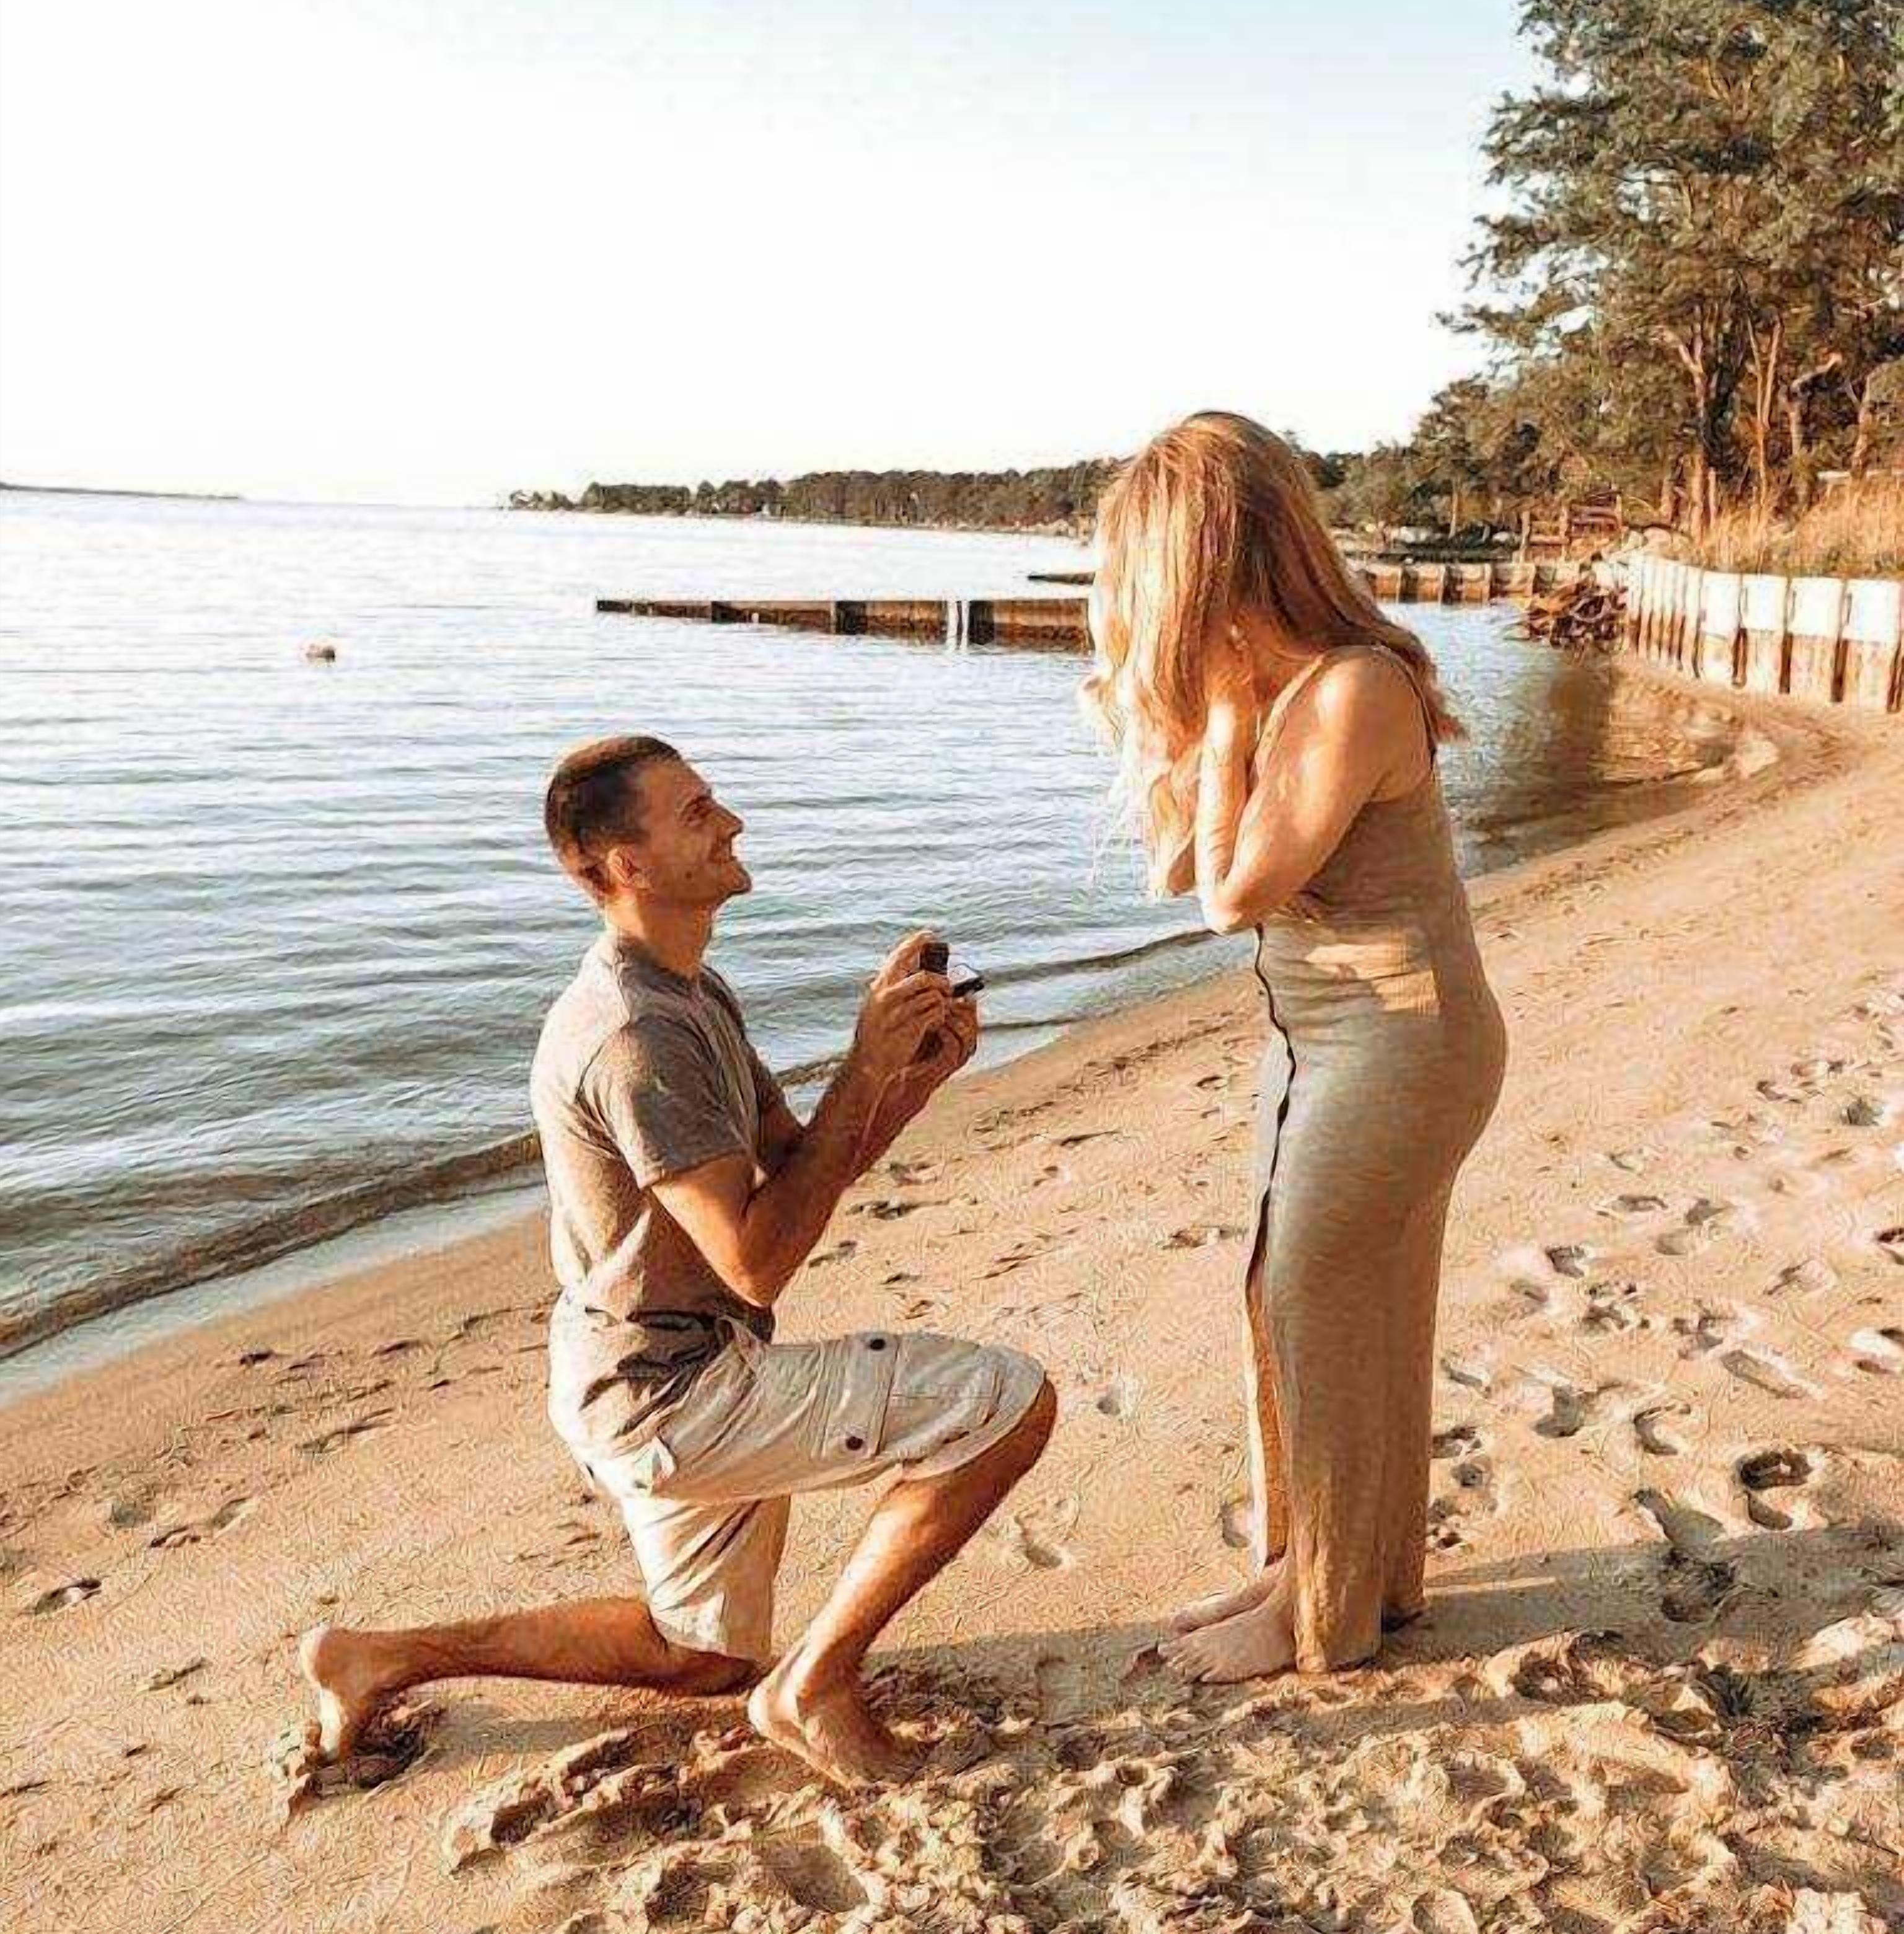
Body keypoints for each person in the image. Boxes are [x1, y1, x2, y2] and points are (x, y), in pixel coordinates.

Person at [301, 735, 1056, 1785]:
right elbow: (756, 1260)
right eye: (698, 812)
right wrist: (860, 1066)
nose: (733, 822)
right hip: (673, 1390)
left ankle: (379, 1657)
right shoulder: (635, 1035)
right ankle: (814, 1686)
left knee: (698, 1657)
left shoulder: (690, 993)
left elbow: (796, 1166)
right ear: (622, 866)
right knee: (1008, 1402)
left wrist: (906, 1079)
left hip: (638, 1372)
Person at [1083, 412, 1507, 1680]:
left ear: (1205, 562)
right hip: (1331, 1044)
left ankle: (1321, 1620)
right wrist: (1175, 732)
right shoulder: (1281, 694)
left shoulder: (1351, 687)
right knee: (1331, 1302)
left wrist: (1217, 724)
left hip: (1401, 1042)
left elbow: (1235, 890)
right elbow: (1176, 865)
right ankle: (1337, 1571)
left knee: (1312, 1295)